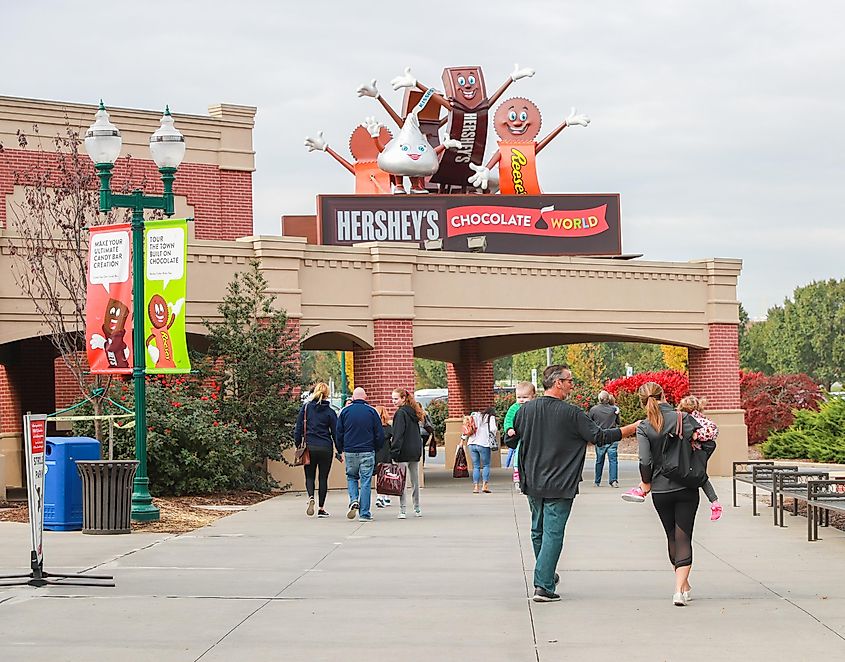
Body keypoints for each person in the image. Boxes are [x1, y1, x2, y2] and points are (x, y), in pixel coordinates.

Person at [515, 365, 638, 602]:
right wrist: (631, 428)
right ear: (558, 382)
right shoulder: (572, 414)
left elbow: (514, 437)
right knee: (552, 532)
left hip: (532, 480)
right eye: (570, 380)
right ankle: (543, 586)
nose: (573, 384)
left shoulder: (525, 410)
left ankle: (546, 573)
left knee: (538, 530)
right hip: (560, 482)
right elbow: (600, 436)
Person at [624, 382, 703, 607]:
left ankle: (684, 585)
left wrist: (646, 483)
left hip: (660, 488)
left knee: (671, 536)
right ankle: (679, 589)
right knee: (684, 535)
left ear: (642, 401)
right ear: (664, 395)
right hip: (686, 485)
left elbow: (645, 460)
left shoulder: (644, 427)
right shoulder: (682, 418)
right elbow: (705, 441)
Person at [336, 387, 384, 522]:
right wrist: (377, 447)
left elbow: (338, 433)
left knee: (351, 477)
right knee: (366, 481)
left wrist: (340, 449)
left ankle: (353, 499)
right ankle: (364, 513)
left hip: (350, 450)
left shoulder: (345, 412)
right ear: (365, 397)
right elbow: (379, 433)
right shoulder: (372, 412)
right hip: (367, 450)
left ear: (353, 397)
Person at [294, 382, 339, 518]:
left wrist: (297, 444)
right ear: (327, 395)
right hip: (325, 447)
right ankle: (321, 508)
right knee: (323, 478)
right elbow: (336, 433)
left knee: (309, 476)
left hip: (310, 446)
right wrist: (339, 449)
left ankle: (311, 497)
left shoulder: (306, 408)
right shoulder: (330, 412)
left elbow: (298, 428)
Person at [678, 395, 722, 521]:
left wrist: (694, 435)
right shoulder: (705, 421)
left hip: (689, 454)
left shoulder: (685, 420)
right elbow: (713, 431)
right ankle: (714, 501)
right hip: (701, 454)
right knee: (701, 475)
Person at [390, 387, 424, 519]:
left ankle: (403, 509)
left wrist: (394, 451)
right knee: (415, 481)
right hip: (414, 450)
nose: (394, 401)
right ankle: (417, 507)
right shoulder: (415, 412)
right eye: (392, 399)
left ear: (403, 398)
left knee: (402, 482)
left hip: (402, 451)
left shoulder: (400, 414)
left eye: (396, 398)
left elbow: (398, 434)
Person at [504, 381, 536, 491]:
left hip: (533, 437)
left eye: (525, 397)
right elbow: (508, 419)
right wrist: (509, 429)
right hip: (520, 437)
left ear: (533, 396)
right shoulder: (514, 408)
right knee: (518, 454)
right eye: (519, 397)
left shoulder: (535, 407)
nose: (521, 400)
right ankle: (518, 476)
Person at [589, 390, 621, 488]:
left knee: (599, 460)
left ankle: (597, 481)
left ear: (599, 399)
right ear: (608, 399)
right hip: (613, 436)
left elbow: (590, 422)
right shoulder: (614, 410)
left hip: (600, 437)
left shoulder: (593, 410)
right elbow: (618, 422)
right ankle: (613, 480)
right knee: (613, 460)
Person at [464, 407, 498, 493]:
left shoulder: (474, 415)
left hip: (471, 443)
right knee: (486, 465)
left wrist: (462, 439)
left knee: (476, 466)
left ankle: (476, 487)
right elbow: (493, 429)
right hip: (483, 443)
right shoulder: (490, 417)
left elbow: (467, 428)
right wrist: (492, 435)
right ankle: (484, 486)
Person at [373, 405, 394, 509]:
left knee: (378, 475)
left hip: (377, 452)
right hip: (387, 453)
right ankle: (386, 496)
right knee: (386, 474)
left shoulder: (374, 428)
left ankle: (379, 496)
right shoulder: (388, 428)